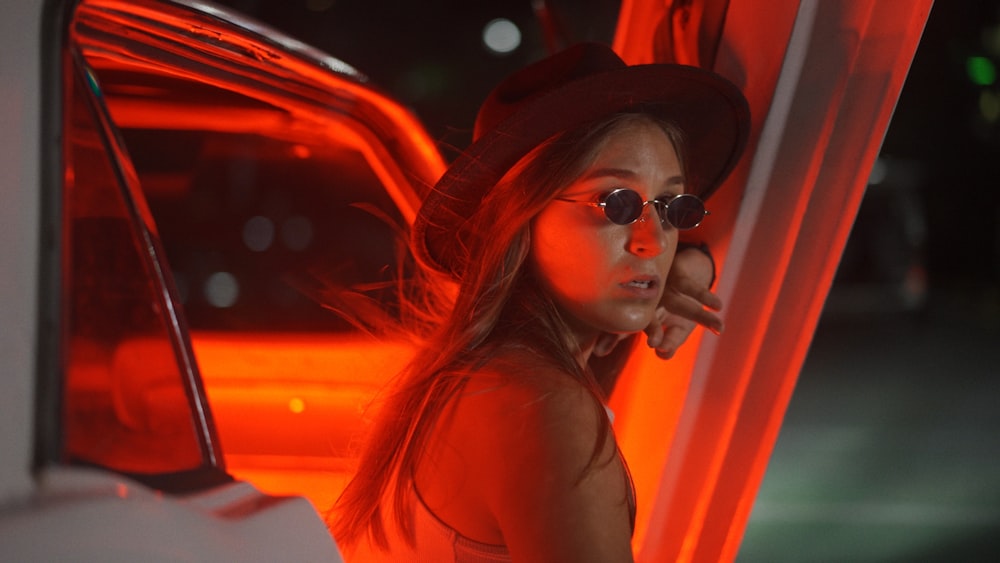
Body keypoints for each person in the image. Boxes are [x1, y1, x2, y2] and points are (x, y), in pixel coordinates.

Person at [330, 42, 750, 562]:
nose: (655, 242)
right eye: (616, 204)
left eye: (672, 206)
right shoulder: (544, 409)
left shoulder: (472, 372)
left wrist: (697, 262)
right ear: (520, 217)